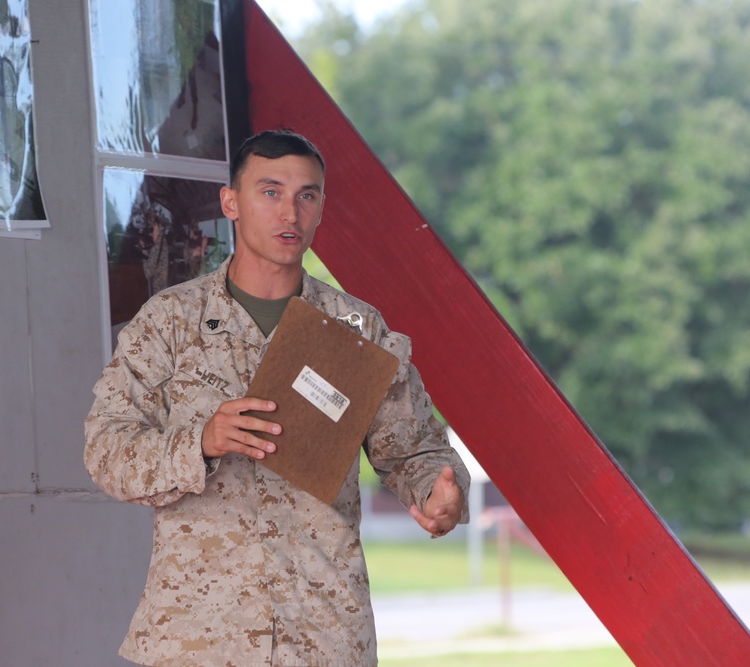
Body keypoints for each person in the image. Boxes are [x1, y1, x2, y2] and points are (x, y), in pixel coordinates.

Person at [85, 129, 470, 666]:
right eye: (270, 191)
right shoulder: (169, 322)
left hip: (324, 633)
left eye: (306, 195)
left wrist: (437, 493)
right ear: (231, 202)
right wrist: (200, 442)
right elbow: (106, 451)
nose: (290, 212)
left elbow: (414, 451)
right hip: (198, 638)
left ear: (320, 208)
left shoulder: (357, 327)